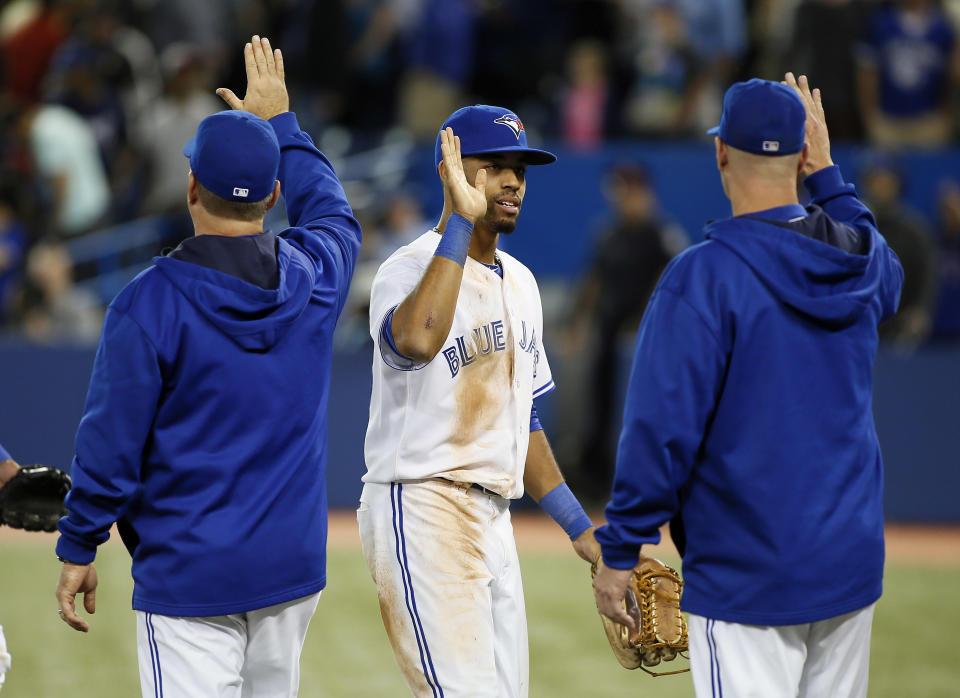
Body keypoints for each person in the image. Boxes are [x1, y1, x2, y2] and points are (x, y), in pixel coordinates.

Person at [53, 36, 361, 698]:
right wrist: (284, 122)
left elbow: (109, 449)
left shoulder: (148, 303)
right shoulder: (316, 279)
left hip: (190, 578)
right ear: (274, 192)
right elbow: (334, 212)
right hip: (290, 574)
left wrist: (79, 544)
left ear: (191, 185)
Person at [593, 74, 903, 698]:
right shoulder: (859, 259)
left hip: (747, 574)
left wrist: (622, 548)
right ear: (802, 154)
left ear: (721, 151)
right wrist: (829, 176)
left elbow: (660, 431)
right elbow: (889, 277)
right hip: (848, 566)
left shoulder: (702, 278)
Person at [358, 105, 600, 697]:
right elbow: (416, 339)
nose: (513, 181)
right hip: (422, 506)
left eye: (520, 169)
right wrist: (461, 225)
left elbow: (525, 419)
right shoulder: (406, 268)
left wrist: (578, 527)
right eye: (493, 166)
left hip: (495, 519)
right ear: (452, 170)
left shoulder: (521, 281)